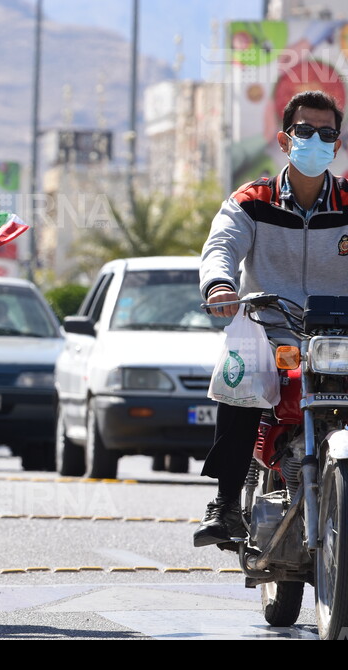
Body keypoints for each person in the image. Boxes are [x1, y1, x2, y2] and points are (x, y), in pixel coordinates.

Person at [194, 90, 347, 548]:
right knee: (240, 380)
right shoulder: (253, 199)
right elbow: (220, 247)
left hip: (338, 338)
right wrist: (220, 284)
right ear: (284, 139)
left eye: (326, 134)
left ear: (337, 145)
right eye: (304, 132)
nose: (315, 141)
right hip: (269, 330)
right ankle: (224, 505)